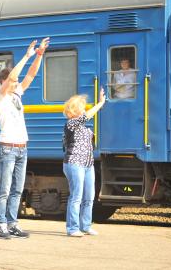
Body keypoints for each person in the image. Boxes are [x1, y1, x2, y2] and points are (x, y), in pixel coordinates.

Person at [0, 37, 50, 239]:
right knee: (5, 189)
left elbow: (32, 75)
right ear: (4, 81)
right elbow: (14, 76)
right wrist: (27, 55)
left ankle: (13, 224)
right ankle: (1, 225)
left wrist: (39, 55)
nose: (17, 83)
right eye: (13, 81)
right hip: (7, 147)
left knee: (17, 190)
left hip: (21, 148)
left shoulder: (16, 93)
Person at [62, 88, 106, 237]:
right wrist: (100, 103)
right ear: (73, 110)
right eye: (80, 108)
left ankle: (86, 226)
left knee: (89, 196)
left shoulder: (83, 127)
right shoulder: (70, 124)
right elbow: (86, 117)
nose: (83, 110)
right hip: (74, 163)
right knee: (76, 196)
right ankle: (72, 228)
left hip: (88, 165)